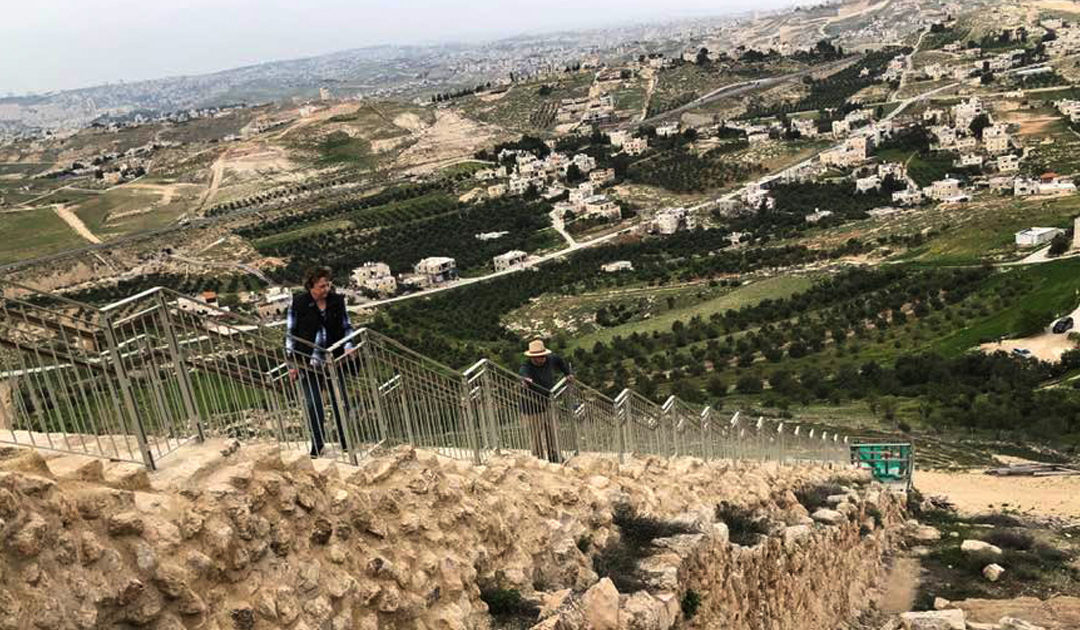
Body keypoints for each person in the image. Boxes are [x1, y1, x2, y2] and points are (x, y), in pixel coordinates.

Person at [286, 267, 356, 457]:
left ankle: (345, 441)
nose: (326, 289)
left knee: (340, 402)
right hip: (308, 362)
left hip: (334, 361)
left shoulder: (337, 301)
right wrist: (291, 364)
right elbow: (290, 335)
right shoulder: (299, 304)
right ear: (311, 286)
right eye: (322, 286)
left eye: (328, 284)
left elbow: (347, 326)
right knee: (312, 404)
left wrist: (349, 344)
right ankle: (317, 444)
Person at [519, 339, 573, 463]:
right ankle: (538, 459)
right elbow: (523, 373)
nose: (541, 358)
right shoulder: (526, 366)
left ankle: (554, 455)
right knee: (536, 435)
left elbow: (559, 361)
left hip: (547, 402)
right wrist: (525, 380)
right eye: (538, 356)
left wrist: (567, 373)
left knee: (552, 430)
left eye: (543, 355)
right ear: (532, 357)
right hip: (531, 407)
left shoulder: (550, 359)